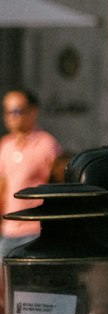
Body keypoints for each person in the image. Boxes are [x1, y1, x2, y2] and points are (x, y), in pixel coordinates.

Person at [0, 89, 63, 250]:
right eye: (7, 112)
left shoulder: (47, 144)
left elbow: (57, 186)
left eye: (16, 111)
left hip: (35, 231)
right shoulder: (5, 145)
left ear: (33, 111)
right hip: (8, 231)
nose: (11, 117)